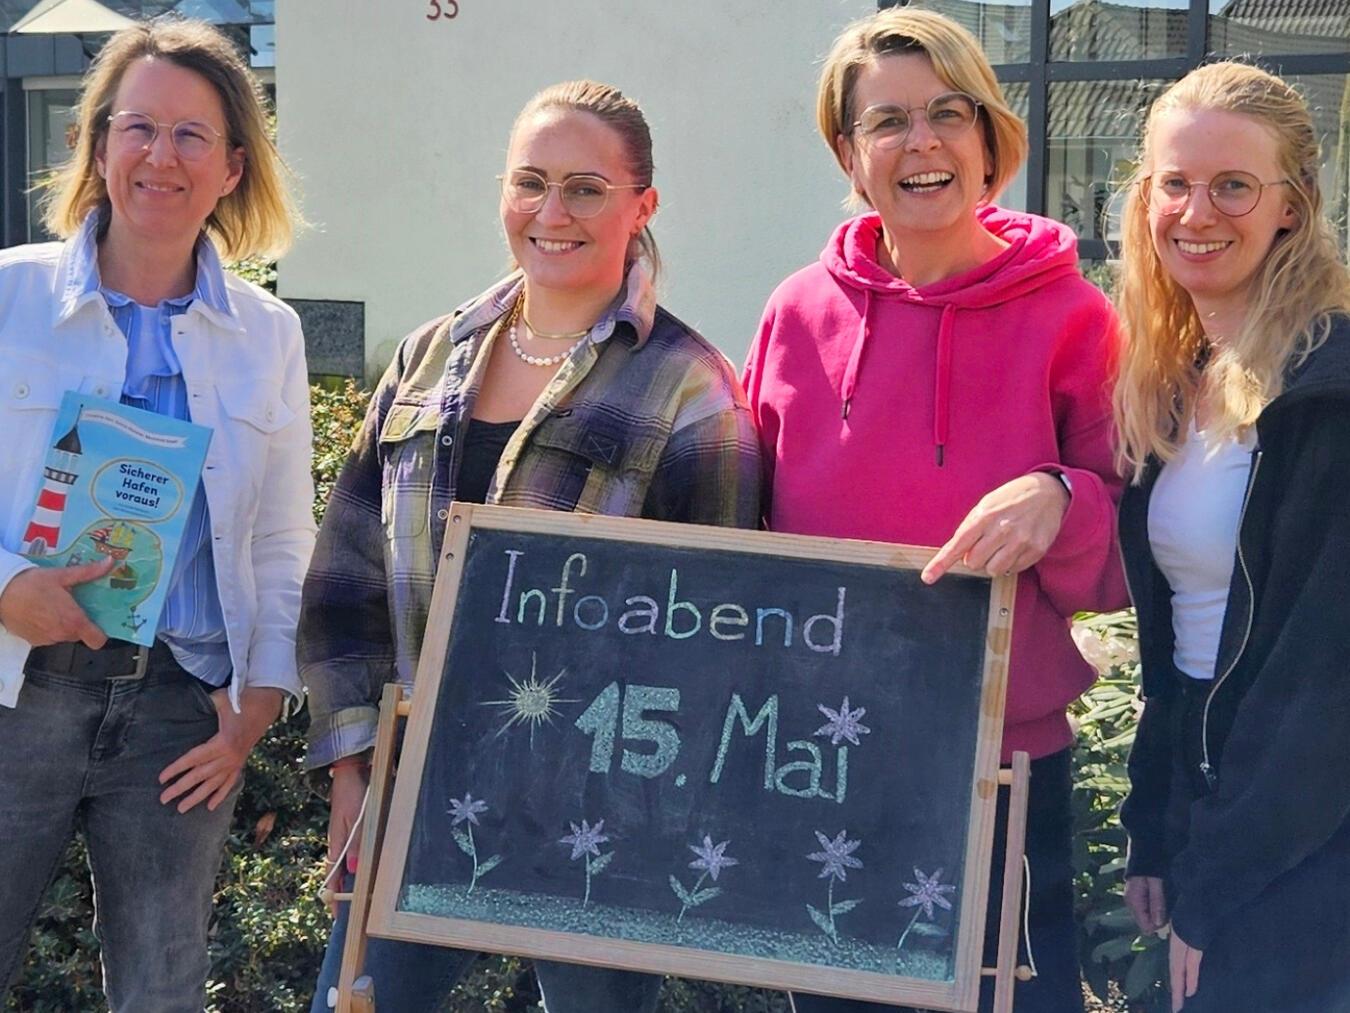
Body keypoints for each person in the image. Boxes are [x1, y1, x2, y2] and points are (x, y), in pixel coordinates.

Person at [300, 79, 760, 1012]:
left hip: (599, 819)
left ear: (642, 206)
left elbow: (719, 636)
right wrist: (354, 764)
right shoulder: (428, 356)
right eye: (530, 183)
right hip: (419, 789)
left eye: (586, 188)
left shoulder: (691, 390)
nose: (552, 213)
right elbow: (348, 571)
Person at [741, 10, 1126, 1011]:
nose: (923, 143)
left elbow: (1134, 544)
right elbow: (736, 535)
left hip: (999, 763)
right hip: (818, 759)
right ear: (849, 154)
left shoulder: (1076, 318)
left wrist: (1064, 496)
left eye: (950, 114)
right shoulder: (794, 313)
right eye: (889, 122)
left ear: (990, 141)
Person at [0, 18, 314, 1012]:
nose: (160, 156)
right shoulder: (6, 296)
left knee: (162, 990)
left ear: (232, 168)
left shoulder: (269, 333)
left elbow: (281, 538)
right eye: (138, 126)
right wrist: (7, 587)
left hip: (179, 709)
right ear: (98, 146)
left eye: (192, 135)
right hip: (16, 691)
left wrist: (261, 699)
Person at [1113, 62, 1350, 1013]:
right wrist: (1157, 825)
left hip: (1307, 850)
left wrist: (1218, 886)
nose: (1196, 212)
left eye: (1234, 186)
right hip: (1220, 817)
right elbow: (1182, 647)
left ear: (1292, 206)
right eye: (1175, 182)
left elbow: (1320, 684)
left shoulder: (1328, 394)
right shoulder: (1185, 378)